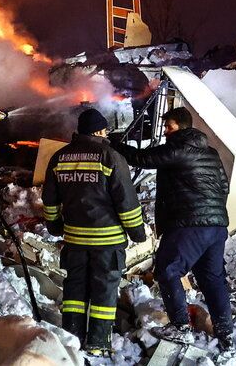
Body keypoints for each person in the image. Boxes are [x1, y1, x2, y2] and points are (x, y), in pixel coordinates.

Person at [110, 107, 234, 350]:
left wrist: (115, 143)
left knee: (167, 270)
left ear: (182, 127)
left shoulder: (179, 147)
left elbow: (142, 159)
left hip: (189, 223)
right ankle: (225, 332)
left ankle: (180, 327)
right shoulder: (210, 152)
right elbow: (224, 187)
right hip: (217, 226)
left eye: (170, 126)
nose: (166, 131)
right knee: (212, 278)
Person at [42, 108, 146, 356]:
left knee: (75, 291)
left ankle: (71, 338)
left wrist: (55, 225)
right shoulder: (110, 156)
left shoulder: (59, 157)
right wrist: (138, 233)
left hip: (75, 239)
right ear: (99, 131)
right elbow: (126, 201)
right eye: (105, 130)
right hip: (107, 241)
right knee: (104, 290)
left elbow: (50, 200)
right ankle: (98, 343)